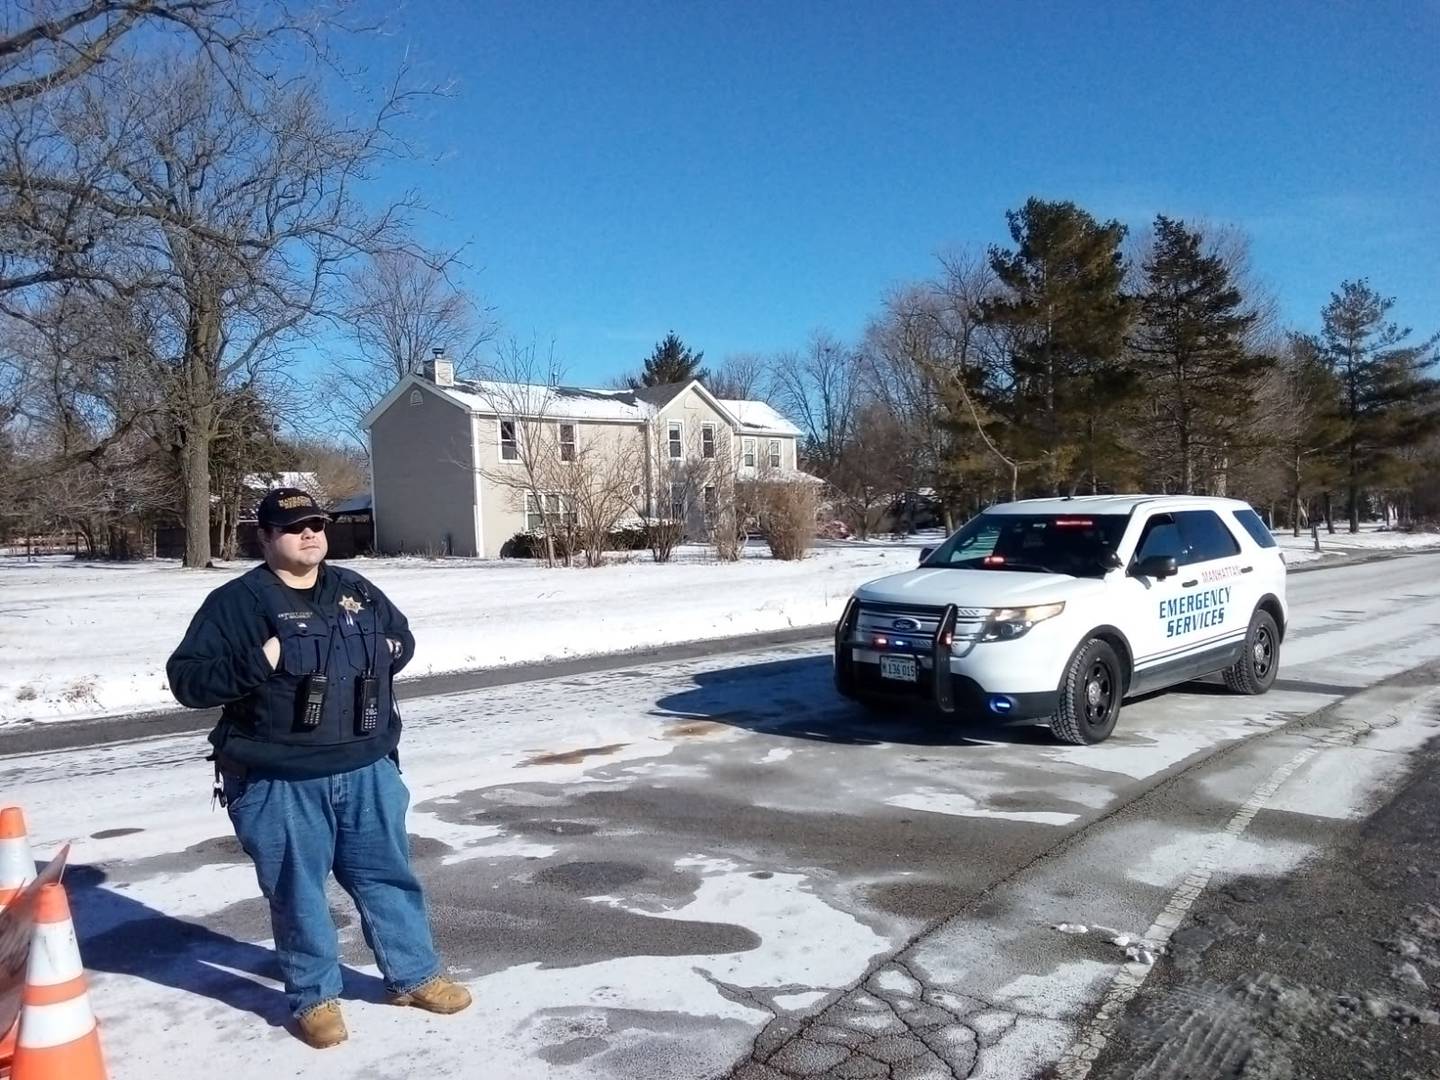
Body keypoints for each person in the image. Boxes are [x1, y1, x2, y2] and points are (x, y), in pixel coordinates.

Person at [166, 487, 470, 1049]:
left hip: (366, 767)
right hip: (277, 776)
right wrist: (261, 660)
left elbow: (400, 640)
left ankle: (415, 976)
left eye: (316, 524)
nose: (308, 534)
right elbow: (188, 681)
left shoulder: (354, 588)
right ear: (265, 537)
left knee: (388, 878)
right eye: (292, 527)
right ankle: (315, 997)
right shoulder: (237, 603)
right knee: (298, 890)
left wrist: (388, 650)